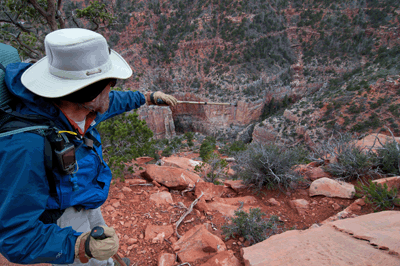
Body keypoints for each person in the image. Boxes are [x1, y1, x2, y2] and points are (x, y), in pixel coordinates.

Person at [0, 28, 177, 266]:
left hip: (84, 197)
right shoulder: (25, 146)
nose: (113, 87)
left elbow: (114, 102)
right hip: (62, 220)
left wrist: (147, 97)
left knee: (103, 242)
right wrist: (79, 246)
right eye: (111, 83)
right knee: (93, 255)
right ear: (91, 95)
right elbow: (15, 237)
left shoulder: (78, 109)